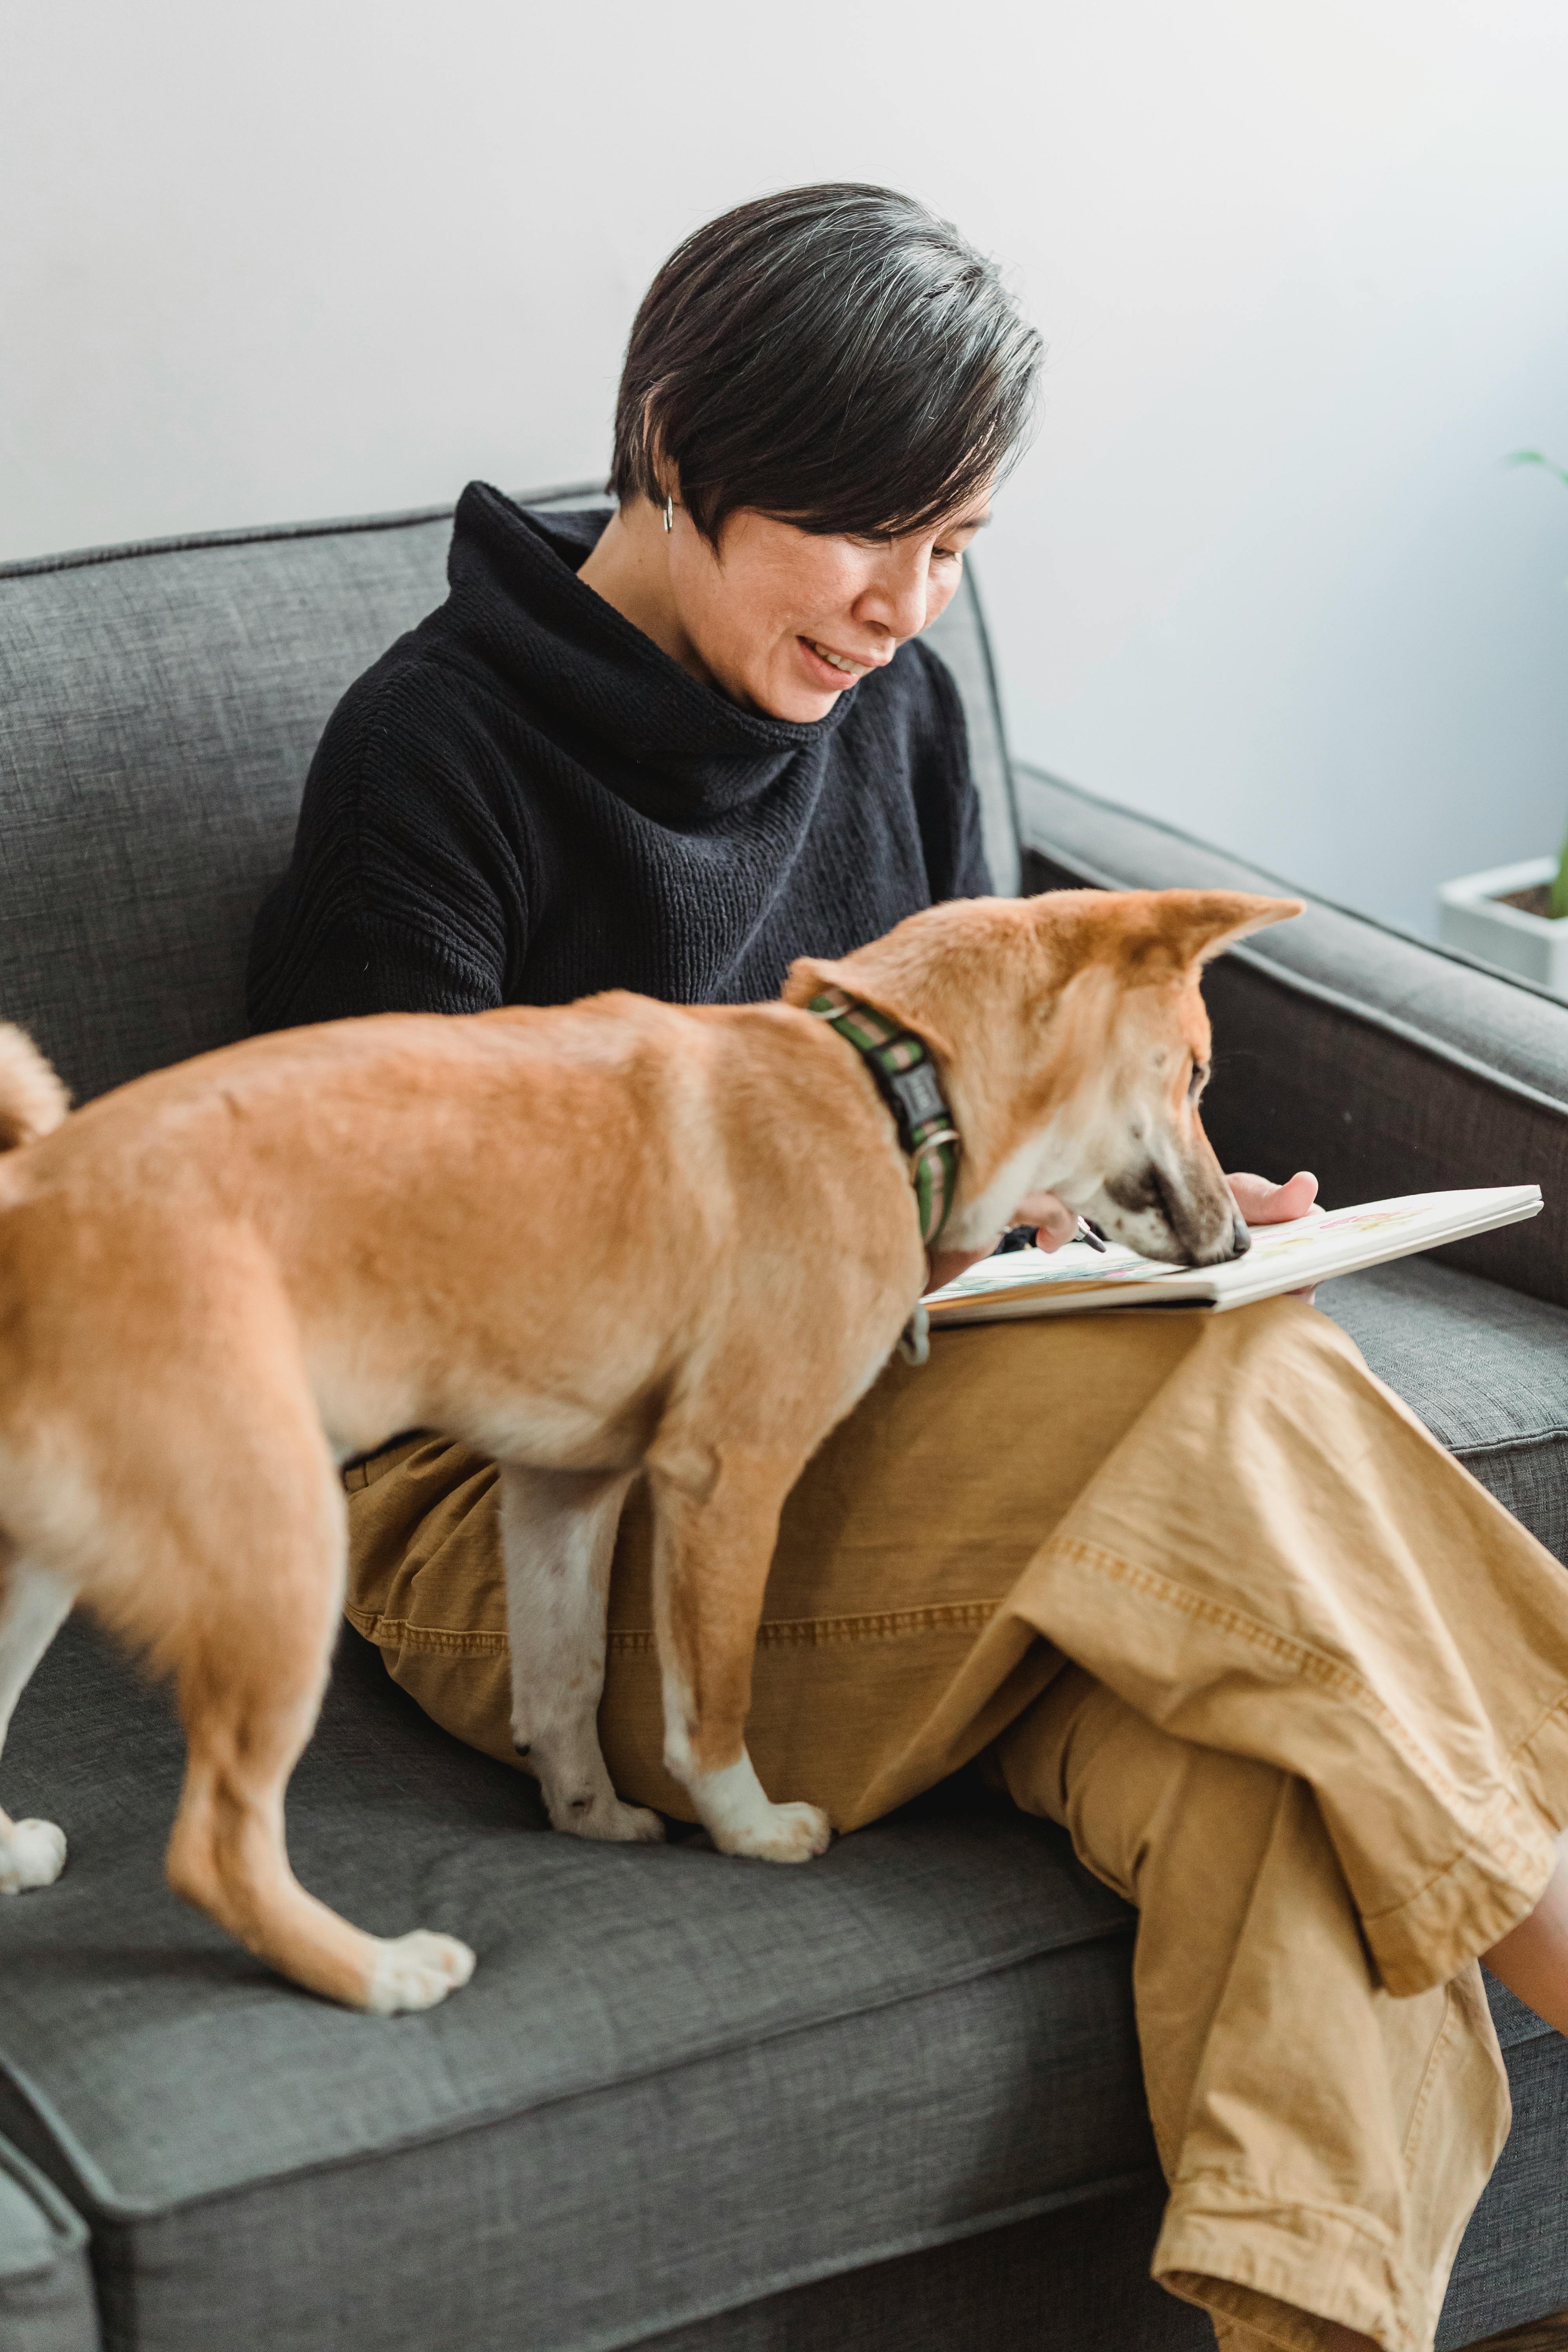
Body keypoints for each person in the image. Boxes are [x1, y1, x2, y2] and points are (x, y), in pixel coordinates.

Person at [249, 185, 1568, 2352]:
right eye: (870, 531)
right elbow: (361, 1306)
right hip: (515, 1537)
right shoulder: (434, 756)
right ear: (678, 439)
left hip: (909, 1472)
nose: (905, 605)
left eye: (955, 549)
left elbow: (963, 1165)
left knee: (1271, 1770)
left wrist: (1131, 1219)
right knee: (1211, 1402)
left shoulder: (906, 706)